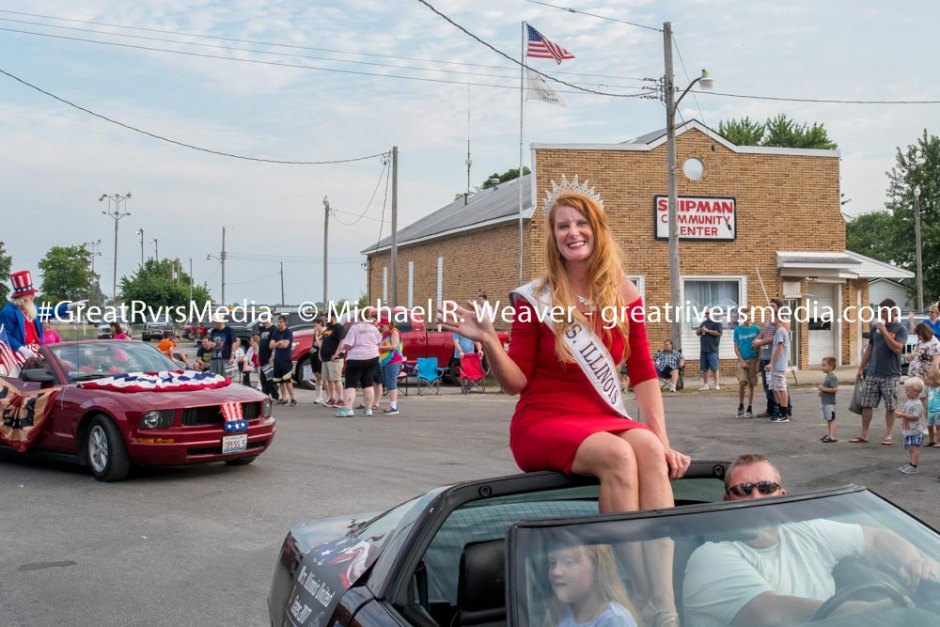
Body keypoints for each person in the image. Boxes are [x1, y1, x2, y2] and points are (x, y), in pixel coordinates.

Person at [440, 177, 689, 625]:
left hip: (599, 415)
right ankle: (631, 592)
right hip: (543, 420)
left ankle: (664, 605)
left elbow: (644, 373)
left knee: (648, 449)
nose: (572, 232)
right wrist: (488, 342)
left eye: (581, 224)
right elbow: (516, 383)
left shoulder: (626, 296)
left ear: (598, 230)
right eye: (562, 226)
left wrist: (663, 438)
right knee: (617, 455)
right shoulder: (534, 300)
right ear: (553, 238)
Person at [682, 453, 939, 627]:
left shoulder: (804, 531)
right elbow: (771, 614)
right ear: (727, 501)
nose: (756, 497)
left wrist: (913, 562)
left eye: (766, 488)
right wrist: (873, 609)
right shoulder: (712, 555)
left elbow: (876, 538)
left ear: (782, 495)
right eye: (744, 490)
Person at [851, 299, 908, 445]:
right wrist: (860, 368)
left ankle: (888, 434)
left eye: (885, 311)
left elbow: (897, 348)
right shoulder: (875, 328)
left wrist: (884, 332)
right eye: (881, 311)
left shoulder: (900, 329)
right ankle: (864, 434)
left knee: (890, 405)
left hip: (891, 374)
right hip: (873, 372)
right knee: (867, 404)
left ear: (894, 311)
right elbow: (869, 348)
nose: (883, 314)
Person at [543, 541, 639, 627]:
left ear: (597, 568)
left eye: (569, 562)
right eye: (552, 563)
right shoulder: (559, 616)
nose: (556, 571)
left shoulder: (614, 620)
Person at [0, 270, 79, 361]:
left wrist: (70, 306)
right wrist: (21, 348)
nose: (34, 297)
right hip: (18, 353)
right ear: (24, 298)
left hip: (36, 348)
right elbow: (4, 335)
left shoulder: (32, 308)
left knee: (61, 365)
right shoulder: (8, 312)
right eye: (31, 295)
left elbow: (51, 312)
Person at [336, 310, 383, 417]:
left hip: (356, 358)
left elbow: (348, 344)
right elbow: (379, 341)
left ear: (358, 317)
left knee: (351, 384)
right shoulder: (373, 328)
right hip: (372, 357)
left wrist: (342, 348)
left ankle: (348, 409)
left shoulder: (354, 328)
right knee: (368, 383)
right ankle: (368, 409)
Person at [751, 299, 790, 419]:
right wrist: (757, 340)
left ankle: (785, 410)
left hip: (775, 360)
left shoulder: (783, 324)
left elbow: (778, 343)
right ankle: (773, 408)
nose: (770, 308)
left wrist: (761, 342)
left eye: (772, 306)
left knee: (780, 386)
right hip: (766, 356)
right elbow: (765, 332)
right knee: (770, 386)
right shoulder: (770, 321)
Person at [764, 314, 790, 424]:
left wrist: (771, 363)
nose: (770, 319)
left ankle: (784, 413)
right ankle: (779, 411)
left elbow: (779, 348)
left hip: (779, 365)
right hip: (776, 366)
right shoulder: (779, 331)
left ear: (778, 319)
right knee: (776, 388)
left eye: (772, 317)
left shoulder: (780, 331)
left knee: (781, 388)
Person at [732, 311, 759, 418]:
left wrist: (758, 361)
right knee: (742, 382)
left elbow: (760, 346)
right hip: (743, 360)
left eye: (748, 315)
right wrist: (741, 361)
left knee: (752, 385)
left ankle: (750, 407)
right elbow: (735, 347)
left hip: (753, 359)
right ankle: (741, 404)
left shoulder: (756, 329)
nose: (747, 318)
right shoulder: (737, 330)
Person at [897, 376, 925, 474]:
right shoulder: (910, 401)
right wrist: (902, 412)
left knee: (914, 449)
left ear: (916, 391)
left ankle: (914, 466)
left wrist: (903, 415)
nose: (906, 392)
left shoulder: (917, 404)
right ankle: (911, 463)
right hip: (908, 430)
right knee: (910, 449)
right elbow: (907, 412)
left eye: (908, 390)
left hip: (914, 430)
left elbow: (915, 416)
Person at [319, 311, 347, 408]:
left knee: (336, 379)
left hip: (334, 359)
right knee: (328, 380)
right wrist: (320, 353)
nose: (326, 319)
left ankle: (341, 399)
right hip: (325, 358)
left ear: (333, 317)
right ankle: (332, 398)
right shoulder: (328, 329)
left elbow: (342, 342)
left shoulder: (339, 328)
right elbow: (322, 341)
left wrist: (336, 354)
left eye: (327, 317)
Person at [378, 316, 405, 415]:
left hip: (393, 361)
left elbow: (394, 346)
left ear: (388, 324)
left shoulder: (394, 332)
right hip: (385, 361)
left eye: (382, 326)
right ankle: (391, 404)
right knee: (387, 382)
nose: (381, 328)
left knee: (391, 382)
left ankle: (394, 406)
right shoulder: (384, 334)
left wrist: (379, 347)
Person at [270, 315, 296, 406]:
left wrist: (278, 344)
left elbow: (285, 345)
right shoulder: (276, 332)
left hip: (286, 359)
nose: (279, 323)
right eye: (278, 322)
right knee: (280, 380)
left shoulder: (288, 332)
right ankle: (284, 398)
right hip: (277, 359)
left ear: (285, 322)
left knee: (287, 380)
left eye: (281, 322)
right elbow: (271, 345)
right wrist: (279, 343)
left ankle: (293, 399)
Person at [695, 310, 722, 391]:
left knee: (714, 367)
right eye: (706, 313)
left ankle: (716, 384)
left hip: (712, 349)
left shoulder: (717, 323)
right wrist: (699, 330)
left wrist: (708, 331)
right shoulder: (704, 323)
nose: (706, 315)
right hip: (703, 349)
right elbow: (697, 332)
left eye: (708, 313)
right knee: (704, 368)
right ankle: (706, 385)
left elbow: (719, 333)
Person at [257, 317, 279, 401]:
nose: (262, 320)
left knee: (270, 378)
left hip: (269, 357)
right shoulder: (262, 329)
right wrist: (258, 356)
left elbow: (274, 344)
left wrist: (272, 356)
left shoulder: (273, 329)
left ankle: (275, 396)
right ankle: (265, 395)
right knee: (263, 378)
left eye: (264, 318)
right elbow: (260, 344)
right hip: (262, 357)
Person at [818, 356, 839, 443]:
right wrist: (822, 392)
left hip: (830, 402)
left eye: (824, 365)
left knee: (832, 418)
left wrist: (823, 389)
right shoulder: (827, 376)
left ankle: (833, 436)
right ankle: (829, 434)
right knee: (828, 418)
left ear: (830, 366)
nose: (822, 367)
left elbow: (835, 389)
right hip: (825, 402)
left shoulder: (832, 377)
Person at [927, 366, 940, 448]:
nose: (927, 381)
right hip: (930, 411)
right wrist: (925, 408)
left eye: (930, 379)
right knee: (929, 427)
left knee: (938, 427)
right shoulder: (929, 389)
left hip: (938, 411)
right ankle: (931, 440)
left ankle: (938, 441)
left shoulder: (938, 389)